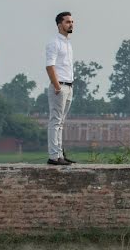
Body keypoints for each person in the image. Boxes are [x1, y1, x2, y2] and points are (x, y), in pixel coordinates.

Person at [45, 11, 76, 166]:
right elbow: (49, 66)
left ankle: (59, 154)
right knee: (55, 121)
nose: (71, 24)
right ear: (59, 25)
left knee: (61, 122)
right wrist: (57, 86)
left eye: (72, 22)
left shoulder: (67, 43)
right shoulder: (54, 43)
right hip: (59, 86)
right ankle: (53, 156)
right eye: (67, 22)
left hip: (68, 86)